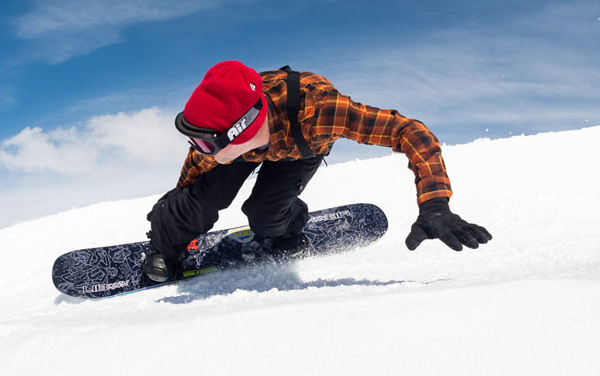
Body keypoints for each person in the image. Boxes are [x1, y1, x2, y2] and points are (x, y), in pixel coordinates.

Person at [142, 61, 491, 281]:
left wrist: (434, 206)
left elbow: (409, 132)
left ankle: (289, 231)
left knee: (266, 215)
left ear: (240, 129)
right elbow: (195, 172)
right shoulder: (217, 141)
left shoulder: (320, 112)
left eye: (203, 143)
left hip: (299, 146)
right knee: (194, 202)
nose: (197, 149)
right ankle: (164, 247)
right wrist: (171, 218)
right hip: (239, 151)